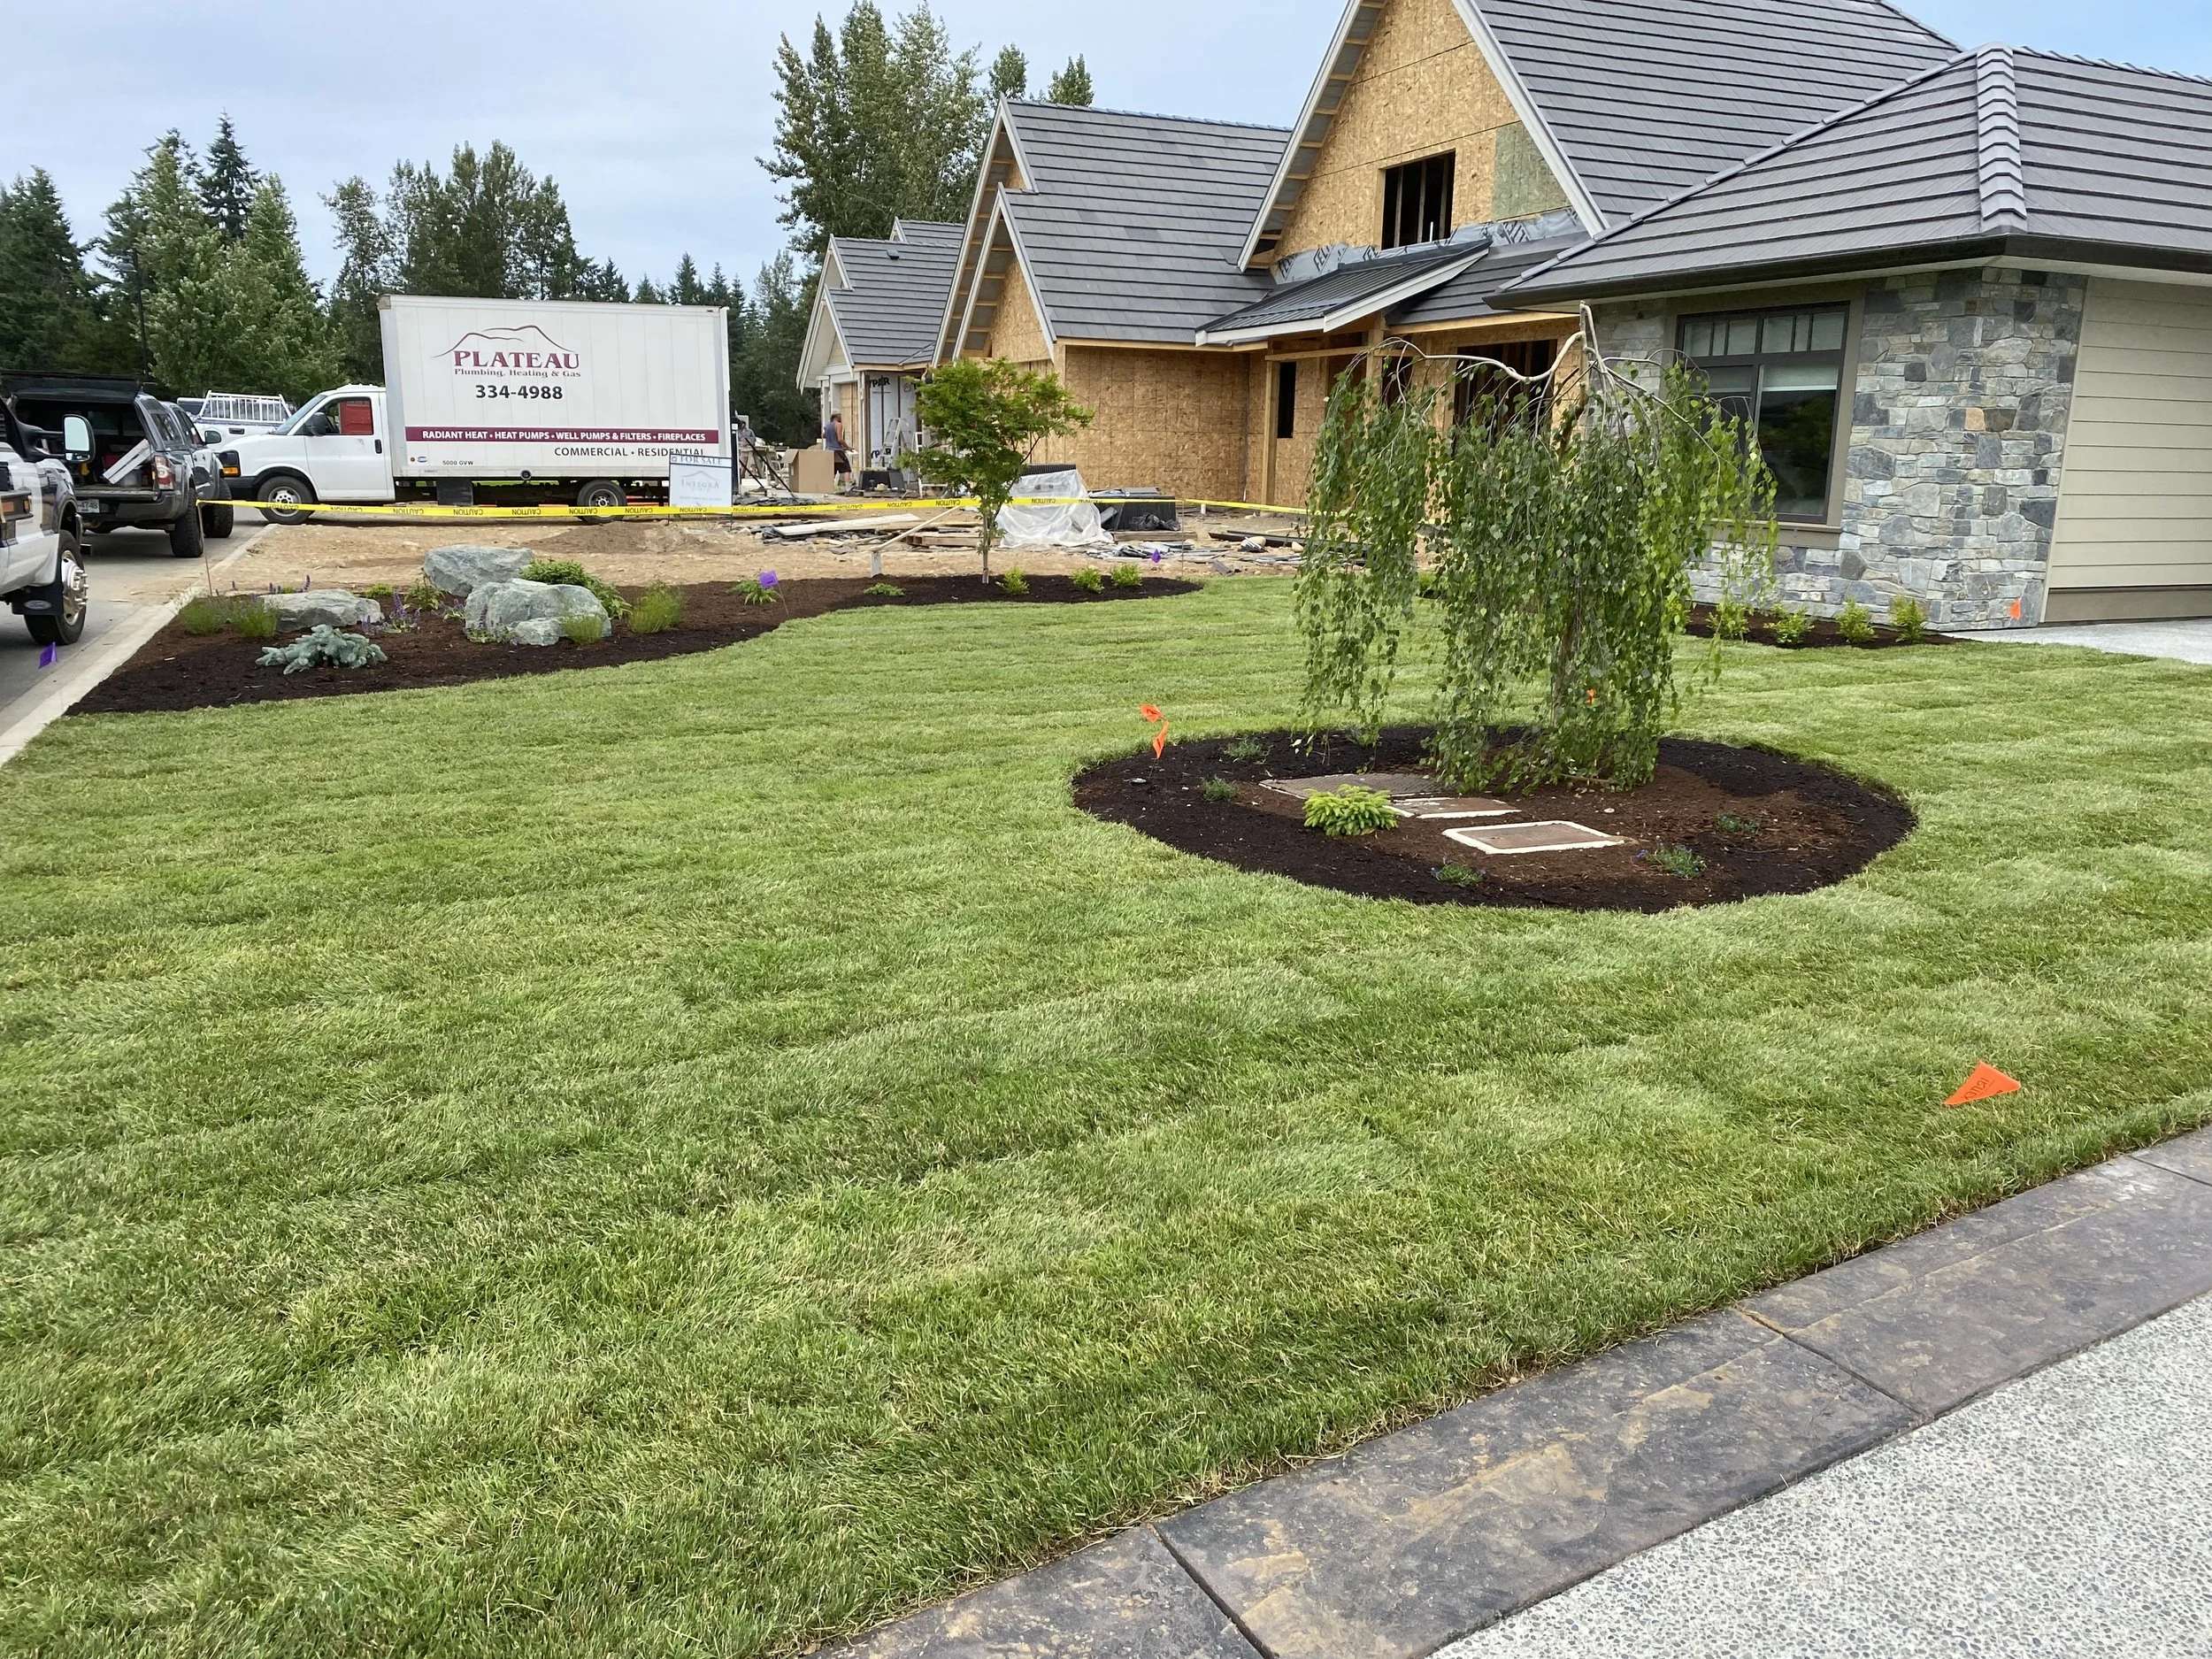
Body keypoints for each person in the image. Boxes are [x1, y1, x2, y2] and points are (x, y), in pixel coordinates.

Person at [826, 411, 852, 490]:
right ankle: (848, 487)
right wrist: (848, 447)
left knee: (831, 470)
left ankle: (829, 488)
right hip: (837, 451)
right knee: (846, 468)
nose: (841, 417)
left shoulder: (827, 425)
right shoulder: (838, 425)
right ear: (837, 416)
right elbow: (840, 439)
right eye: (840, 416)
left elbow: (824, 435)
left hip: (828, 450)